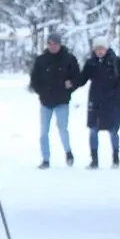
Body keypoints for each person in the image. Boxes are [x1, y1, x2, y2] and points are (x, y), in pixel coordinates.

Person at [73, 35, 120, 169]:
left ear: (106, 48)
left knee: (113, 131)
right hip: (96, 102)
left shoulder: (116, 62)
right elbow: (82, 79)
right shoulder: (91, 63)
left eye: (102, 48)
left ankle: (115, 159)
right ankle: (94, 160)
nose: (99, 51)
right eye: (97, 48)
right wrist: (71, 83)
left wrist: (115, 95)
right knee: (93, 130)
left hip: (113, 103)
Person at [28, 31, 80, 168]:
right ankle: (45, 159)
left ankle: (68, 152)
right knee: (44, 132)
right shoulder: (41, 60)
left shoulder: (69, 59)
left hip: (62, 101)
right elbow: (34, 80)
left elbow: (77, 77)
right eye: (50, 44)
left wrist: (71, 85)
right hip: (46, 101)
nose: (52, 46)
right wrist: (42, 91)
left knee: (63, 128)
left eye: (55, 44)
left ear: (60, 44)